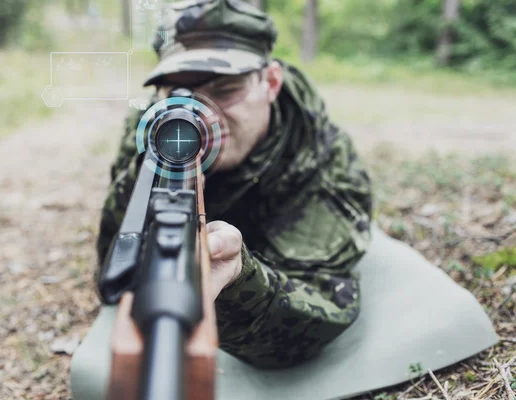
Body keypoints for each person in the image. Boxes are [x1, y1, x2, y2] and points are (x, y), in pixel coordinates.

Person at [96, 0, 372, 369]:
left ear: (271, 82)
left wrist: (240, 281)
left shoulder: (318, 155)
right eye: (180, 93)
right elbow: (114, 265)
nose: (201, 115)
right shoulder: (154, 125)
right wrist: (147, 179)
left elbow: (317, 313)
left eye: (225, 89)